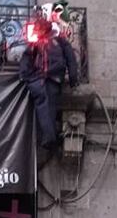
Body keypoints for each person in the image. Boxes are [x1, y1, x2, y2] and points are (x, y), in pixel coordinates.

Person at [19, 16, 80, 151]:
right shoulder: (48, 42)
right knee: (46, 106)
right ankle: (49, 136)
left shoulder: (54, 41)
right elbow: (27, 59)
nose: (36, 32)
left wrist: (24, 76)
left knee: (46, 107)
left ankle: (49, 136)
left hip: (46, 79)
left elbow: (26, 60)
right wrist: (73, 79)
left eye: (38, 29)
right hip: (45, 79)